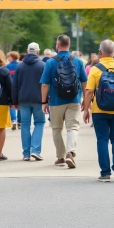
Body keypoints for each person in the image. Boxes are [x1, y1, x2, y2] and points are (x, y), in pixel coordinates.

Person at [83, 40, 114, 182]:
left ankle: (105, 173)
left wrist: (86, 110)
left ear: (100, 52)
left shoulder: (95, 69)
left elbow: (89, 91)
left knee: (102, 139)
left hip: (99, 110)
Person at [40, 35, 87, 168]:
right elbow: (84, 82)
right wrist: (84, 99)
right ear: (69, 45)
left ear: (58, 45)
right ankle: (70, 152)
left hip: (56, 101)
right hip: (74, 100)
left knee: (56, 129)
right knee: (72, 127)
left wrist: (44, 102)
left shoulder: (50, 62)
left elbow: (44, 85)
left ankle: (60, 157)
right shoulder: (77, 61)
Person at [13, 42, 46, 161]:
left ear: (27, 51)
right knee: (39, 123)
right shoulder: (42, 65)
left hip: (23, 100)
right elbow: (46, 84)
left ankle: (26, 154)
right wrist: (47, 100)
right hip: (39, 99)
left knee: (25, 125)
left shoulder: (20, 66)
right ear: (37, 52)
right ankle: (35, 150)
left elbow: (15, 85)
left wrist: (14, 101)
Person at [6, 51, 20, 130]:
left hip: (11, 88)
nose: (7, 58)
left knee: (12, 105)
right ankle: (20, 121)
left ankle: (14, 120)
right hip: (19, 88)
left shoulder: (7, 67)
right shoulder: (19, 66)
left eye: (8, 57)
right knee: (20, 105)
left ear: (12, 57)